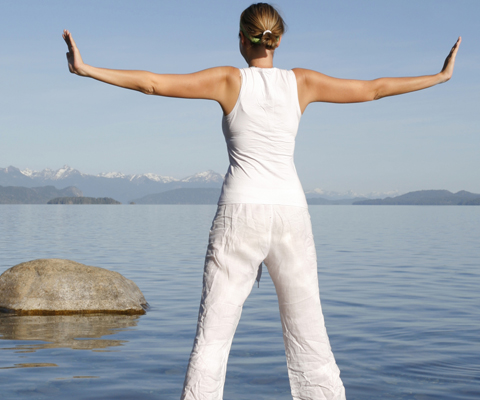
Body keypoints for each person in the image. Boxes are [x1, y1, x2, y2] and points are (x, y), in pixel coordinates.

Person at [63, 3, 460, 399]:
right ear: (278, 40)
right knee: (309, 334)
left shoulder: (228, 80)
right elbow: (374, 89)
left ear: (241, 38)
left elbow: (152, 83)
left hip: (240, 214)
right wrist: (440, 77)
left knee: (213, 338)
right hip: (291, 214)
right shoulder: (302, 82)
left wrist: (87, 68)